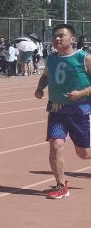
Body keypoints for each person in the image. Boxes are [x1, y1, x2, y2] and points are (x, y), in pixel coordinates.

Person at [34, 23, 91, 199]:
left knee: (84, 154)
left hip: (80, 111)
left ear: (72, 38)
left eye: (61, 35)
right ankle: (60, 186)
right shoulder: (51, 59)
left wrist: (82, 93)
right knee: (55, 144)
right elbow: (45, 76)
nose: (57, 38)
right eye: (55, 36)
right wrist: (40, 88)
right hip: (57, 110)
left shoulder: (84, 58)